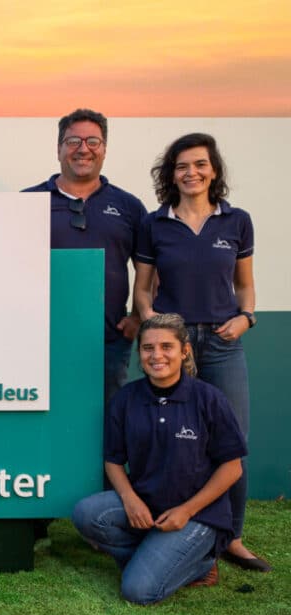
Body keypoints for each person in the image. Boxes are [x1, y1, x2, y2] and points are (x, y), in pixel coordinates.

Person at [133, 133, 268, 572]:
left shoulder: (237, 221)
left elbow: (245, 286)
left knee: (232, 443)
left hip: (224, 342)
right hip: (176, 344)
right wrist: (157, 326)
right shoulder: (155, 224)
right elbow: (143, 289)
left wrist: (246, 317)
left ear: (214, 170)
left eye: (200, 165)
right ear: (170, 174)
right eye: (181, 166)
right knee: (175, 439)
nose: (191, 173)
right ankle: (176, 531)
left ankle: (233, 537)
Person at [72, 314, 245, 605]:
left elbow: (232, 467)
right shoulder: (127, 399)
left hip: (199, 515)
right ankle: (157, 556)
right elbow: (113, 460)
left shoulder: (208, 398)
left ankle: (201, 563)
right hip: (148, 503)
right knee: (86, 514)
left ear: (184, 351)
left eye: (167, 347)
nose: (157, 355)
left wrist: (187, 511)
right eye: (148, 348)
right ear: (139, 353)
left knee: (139, 591)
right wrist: (130, 499)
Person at [23, 108, 147, 405]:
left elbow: (149, 268)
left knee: (107, 422)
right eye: (73, 141)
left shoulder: (129, 206)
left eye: (93, 141)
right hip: (42, 339)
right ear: (59, 149)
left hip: (108, 342)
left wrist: (137, 317)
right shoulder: (27, 202)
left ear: (104, 149)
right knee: (45, 417)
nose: (83, 150)